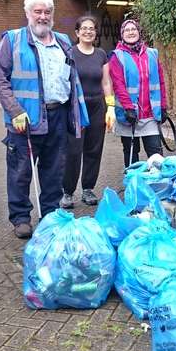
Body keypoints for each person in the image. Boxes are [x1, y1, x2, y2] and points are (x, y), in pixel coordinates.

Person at [0, 0, 89, 239]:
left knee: (54, 171)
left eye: (47, 12)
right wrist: (14, 110)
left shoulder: (63, 41)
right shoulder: (12, 40)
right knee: (20, 172)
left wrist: (76, 116)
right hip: (25, 119)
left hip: (58, 116)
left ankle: (49, 214)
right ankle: (21, 218)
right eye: (38, 11)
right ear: (27, 13)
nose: (43, 16)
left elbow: (72, 80)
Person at [60, 16, 115, 208]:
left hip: (97, 107)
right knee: (73, 150)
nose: (88, 31)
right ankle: (67, 192)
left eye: (91, 28)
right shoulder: (70, 53)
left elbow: (106, 82)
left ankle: (88, 189)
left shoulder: (101, 54)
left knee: (94, 149)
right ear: (77, 33)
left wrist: (111, 108)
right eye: (84, 28)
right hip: (76, 108)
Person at [109, 19, 169, 168]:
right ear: (122, 34)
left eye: (133, 29)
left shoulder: (152, 54)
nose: (130, 32)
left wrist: (163, 106)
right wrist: (128, 108)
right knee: (131, 154)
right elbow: (118, 85)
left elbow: (160, 82)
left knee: (156, 154)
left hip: (150, 115)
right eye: (126, 30)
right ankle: (132, 185)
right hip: (129, 115)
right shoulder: (117, 56)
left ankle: (157, 185)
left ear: (139, 32)